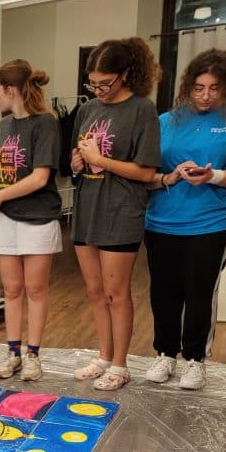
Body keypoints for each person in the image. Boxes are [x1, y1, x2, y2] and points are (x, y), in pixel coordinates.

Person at [144, 50, 226, 391]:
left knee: (198, 291)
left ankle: (195, 359)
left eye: (214, 88)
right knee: (163, 291)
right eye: (198, 87)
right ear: (187, 87)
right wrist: (170, 176)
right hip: (161, 220)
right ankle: (165, 352)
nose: (206, 95)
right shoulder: (165, 121)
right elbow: (146, 174)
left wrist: (213, 175)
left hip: (212, 222)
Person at [70, 37, 161, 390]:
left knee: (115, 292)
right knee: (94, 290)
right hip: (88, 207)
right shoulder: (87, 110)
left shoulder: (142, 109)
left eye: (105, 83)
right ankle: (104, 355)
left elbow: (146, 171)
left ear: (125, 75)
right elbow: (78, 160)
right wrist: (78, 163)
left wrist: (100, 160)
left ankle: (120, 364)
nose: (99, 89)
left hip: (121, 209)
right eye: (93, 83)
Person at [0, 60, 62, 382]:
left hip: (38, 217)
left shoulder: (45, 123)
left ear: (10, 90)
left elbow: (40, 178)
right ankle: (12, 352)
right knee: (13, 290)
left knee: (35, 289)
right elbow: (2, 173)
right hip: (5, 217)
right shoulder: (4, 126)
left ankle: (33, 355)